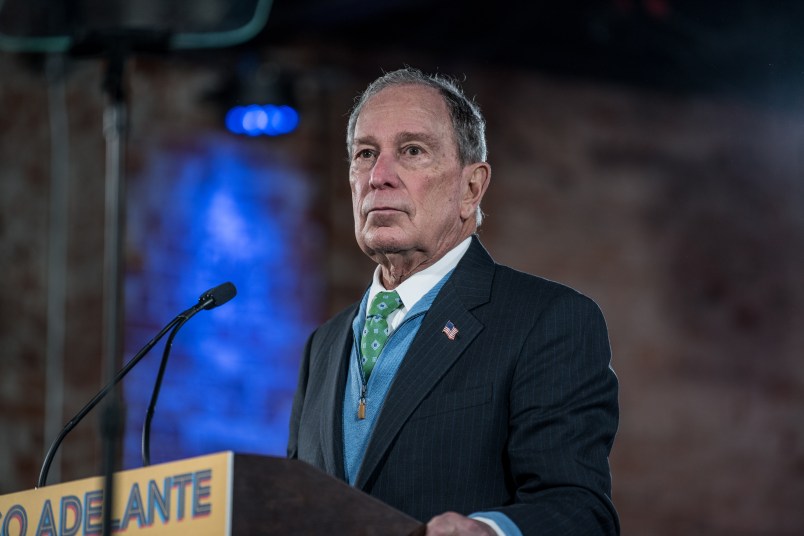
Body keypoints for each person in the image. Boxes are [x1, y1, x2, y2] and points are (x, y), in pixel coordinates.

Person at [288, 67, 619, 536]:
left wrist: (489, 531)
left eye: (412, 151)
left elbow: (580, 513)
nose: (380, 176)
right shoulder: (323, 345)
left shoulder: (547, 320)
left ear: (471, 188)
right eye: (365, 154)